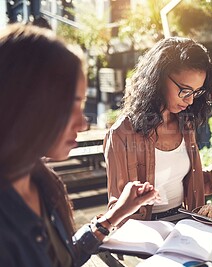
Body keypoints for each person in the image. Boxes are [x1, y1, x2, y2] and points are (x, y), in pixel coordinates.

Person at [0, 24, 160, 267]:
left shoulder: (41, 182)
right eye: (70, 105)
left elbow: (62, 259)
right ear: (21, 101)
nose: (83, 123)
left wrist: (116, 214)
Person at [104, 36, 212, 220]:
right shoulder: (122, 134)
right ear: (158, 79)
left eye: (196, 92)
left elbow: (192, 184)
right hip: (146, 232)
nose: (190, 100)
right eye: (185, 90)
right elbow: (117, 209)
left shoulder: (184, 124)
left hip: (187, 221)